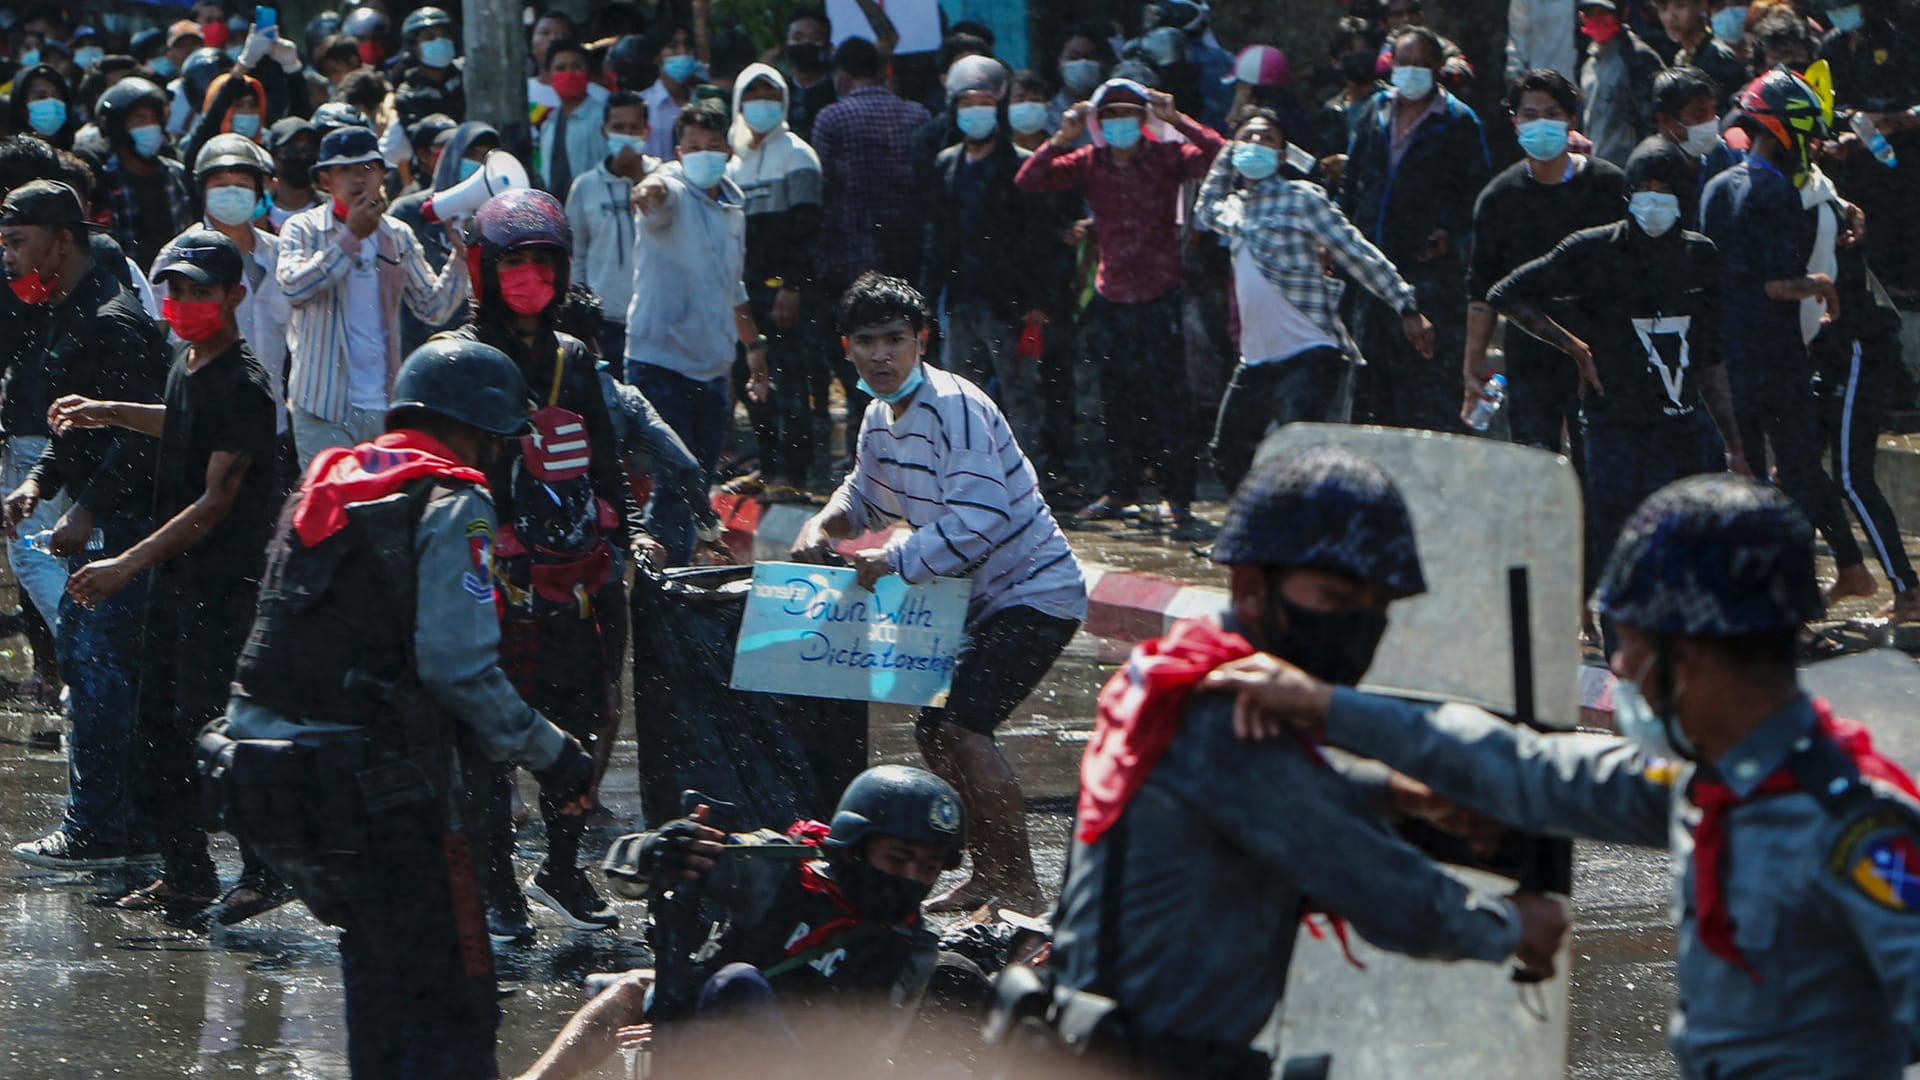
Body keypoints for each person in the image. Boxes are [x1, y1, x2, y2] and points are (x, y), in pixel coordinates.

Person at [1208, 472, 1920, 1080]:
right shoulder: (1712, 786)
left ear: (1693, 653)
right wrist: (1332, 708)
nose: (1618, 669)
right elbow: (1527, 768)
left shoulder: (1853, 829)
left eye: (1631, 644)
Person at [1043, 447, 1567, 1079]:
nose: (1359, 625)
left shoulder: (1177, 670)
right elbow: (1376, 884)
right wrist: (1512, 926)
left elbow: (1270, 798)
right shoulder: (1220, 714)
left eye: (1377, 606)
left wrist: (1400, 793)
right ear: (1250, 586)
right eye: (1336, 595)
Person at [222, 337, 597, 1078]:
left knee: (377, 974)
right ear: (482, 432)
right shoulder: (453, 499)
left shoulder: (326, 478)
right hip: (368, 785)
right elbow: (457, 670)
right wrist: (555, 754)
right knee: (454, 999)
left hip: (262, 773)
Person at [793, 273, 1085, 914]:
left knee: (964, 727)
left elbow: (985, 521)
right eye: (866, 341)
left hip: (1036, 590)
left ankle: (1019, 886)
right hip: (975, 599)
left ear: (922, 340)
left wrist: (893, 557)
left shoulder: (955, 405)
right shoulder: (877, 415)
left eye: (895, 339)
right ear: (847, 347)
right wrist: (820, 525)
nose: (881, 355)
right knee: (934, 731)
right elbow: (864, 499)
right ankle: (989, 873)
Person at [53, 226, 283, 918]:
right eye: (174, 289)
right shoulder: (188, 361)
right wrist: (106, 411)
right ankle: (186, 872)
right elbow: (182, 421)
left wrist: (125, 563)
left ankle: (265, 870)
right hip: (179, 581)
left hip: (227, 584)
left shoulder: (245, 384)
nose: (183, 301)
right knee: (158, 728)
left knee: (218, 731)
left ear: (235, 296)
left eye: (199, 291)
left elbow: (216, 503)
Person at [445, 188, 639, 938]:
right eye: (513, 263)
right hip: (487, 585)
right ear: (485, 270)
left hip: (577, 579)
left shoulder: (575, 358)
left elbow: (605, 459)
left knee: (582, 726)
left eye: (541, 264)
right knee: (490, 742)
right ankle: (494, 886)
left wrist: (622, 539)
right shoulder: (455, 361)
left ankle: (561, 865)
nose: (528, 277)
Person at [517, 765, 968, 1079]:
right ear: (854, 849)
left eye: (928, 868)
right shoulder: (777, 871)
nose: (912, 878)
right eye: (899, 858)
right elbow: (626, 873)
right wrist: (657, 848)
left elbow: (868, 1056)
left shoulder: (916, 950)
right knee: (667, 986)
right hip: (711, 1036)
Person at [1487, 138, 1745, 624]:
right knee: (1616, 541)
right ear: (1628, 195)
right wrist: (1573, 346)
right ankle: (1616, 645)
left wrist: (1735, 442)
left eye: (1664, 191)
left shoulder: (1700, 256)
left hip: (1681, 426)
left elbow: (1710, 359)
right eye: (1644, 190)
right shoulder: (1593, 249)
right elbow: (1508, 293)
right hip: (1614, 425)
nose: (1654, 201)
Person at [2, 180, 170, 871]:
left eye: (16, 242)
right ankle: (124, 823)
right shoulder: (66, 312)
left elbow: (142, 432)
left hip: (128, 531)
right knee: (90, 665)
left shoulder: (113, 318)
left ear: (60, 241)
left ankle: (102, 829)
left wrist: (86, 508)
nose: (7, 258)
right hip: (97, 524)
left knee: (102, 679)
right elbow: (72, 425)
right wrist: (38, 483)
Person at [1015, 79, 1225, 528]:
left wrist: (1176, 119)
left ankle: (1179, 497)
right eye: (1109, 116)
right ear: (1098, 123)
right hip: (1113, 295)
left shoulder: (1167, 157)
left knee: (1171, 399)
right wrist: (1062, 137)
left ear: (1143, 119)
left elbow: (1220, 156)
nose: (1119, 123)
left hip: (1161, 292)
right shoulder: (1090, 161)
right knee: (1118, 399)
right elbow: (1029, 178)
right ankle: (1120, 489)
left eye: (1129, 113)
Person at [1702, 69, 1877, 609]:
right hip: (1777, 360)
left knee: (1750, 478)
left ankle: (1761, 595)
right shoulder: (1774, 192)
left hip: (1728, 357)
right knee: (1799, 474)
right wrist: (1822, 286)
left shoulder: (1716, 185)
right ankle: (1798, 596)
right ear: (1789, 131)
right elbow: (1777, 285)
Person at [1198, 106, 1433, 492]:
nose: (1256, 144)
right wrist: (1228, 151)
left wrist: (1405, 303)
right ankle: (1257, 534)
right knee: (1228, 452)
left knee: (1299, 453)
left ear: (1281, 154)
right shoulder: (1233, 207)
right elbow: (1205, 206)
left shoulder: (1302, 198)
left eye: (1267, 139)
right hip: (1256, 359)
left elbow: (1356, 252)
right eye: (1248, 138)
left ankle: (1303, 542)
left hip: (1309, 349)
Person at [626, 100, 767, 566]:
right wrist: (647, 191)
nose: (703, 154)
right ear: (679, 150)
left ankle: (674, 573)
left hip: (712, 367)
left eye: (712, 147)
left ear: (727, 150)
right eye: (693, 147)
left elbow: (734, 285)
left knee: (698, 482)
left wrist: (754, 348)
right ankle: (662, 591)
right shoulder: (671, 189)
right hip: (659, 363)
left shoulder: (733, 204)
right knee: (675, 483)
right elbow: (656, 194)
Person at [277, 126, 470, 465]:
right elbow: (294, 288)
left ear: (383, 175)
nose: (359, 179)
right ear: (326, 182)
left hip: (384, 405)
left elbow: (432, 308)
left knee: (383, 509)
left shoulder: (397, 234)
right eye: (346, 170)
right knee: (332, 510)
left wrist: (460, 258)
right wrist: (351, 237)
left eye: (368, 168)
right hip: (323, 407)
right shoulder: (303, 228)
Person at [1339, 26, 1492, 432]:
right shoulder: (1375, 110)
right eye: (1404, 63)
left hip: (1429, 272)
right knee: (1369, 379)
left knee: (1428, 377)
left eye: (1422, 64)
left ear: (1438, 68)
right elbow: (1353, 181)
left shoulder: (1458, 121)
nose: (1411, 72)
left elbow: (1477, 195)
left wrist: (1452, 234)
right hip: (1372, 266)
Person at [1463, 70, 1628, 448]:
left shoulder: (1608, 186)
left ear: (1571, 120)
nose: (1541, 124)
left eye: (1552, 113)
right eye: (1530, 114)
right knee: (1535, 455)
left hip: (1602, 344)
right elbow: (1482, 291)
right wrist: (1471, 369)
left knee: (1599, 460)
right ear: (1515, 123)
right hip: (1532, 345)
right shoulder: (1498, 198)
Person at [921, 56, 1052, 472]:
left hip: (1008, 303)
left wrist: (1036, 298)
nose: (975, 112)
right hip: (961, 301)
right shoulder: (946, 164)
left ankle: (1026, 478)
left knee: (1020, 394)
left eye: (983, 103)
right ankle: (971, 475)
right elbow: (938, 236)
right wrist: (925, 300)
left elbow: (1034, 238)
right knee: (962, 394)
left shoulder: (1018, 165)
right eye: (967, 104)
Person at [727, 64, 823, 500]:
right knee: (751, 379)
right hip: (742, 294)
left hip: (784, 291)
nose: (760, 102)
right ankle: (765, 466)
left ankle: (794, 474)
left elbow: (809, 229)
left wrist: (793, 285)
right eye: (753, 93)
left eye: (770, 93)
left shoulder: (798, 155)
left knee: (790, 380)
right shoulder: (733, 161)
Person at [177, 134, 292, 447]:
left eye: (242, 182)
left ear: (258, 191)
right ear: (202, 190)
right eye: (220, 182)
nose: (232, 191)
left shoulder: (281, 253)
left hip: (275, 424)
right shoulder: (178, 255)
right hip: (209, 431)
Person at [565, 95, 654, 364]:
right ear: (604, 131)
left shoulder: (665, 180)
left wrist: (639, 178)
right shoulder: (585, 187)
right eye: (618, 128)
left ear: (646, 132)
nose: (626, 136)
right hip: (606, 321)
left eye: (634, 128)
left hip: (655, 317)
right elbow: (575, 254)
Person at [93, 76, 194, 271]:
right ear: (119, 127)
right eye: (140, 119)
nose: (150, 126)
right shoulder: (106, 180)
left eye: (154, 119)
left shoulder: (176, 174)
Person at [1576, 0, 1669, 165]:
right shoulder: (1590, 63)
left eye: (1604, 13)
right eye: (1592, 12)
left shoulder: (1637, 57)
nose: (1597, 19)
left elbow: (1656, 122)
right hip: (1599, 168)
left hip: (1630, 167)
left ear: (1623, 14)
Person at [1649, 66, 1743, 227]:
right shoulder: (1650, 170)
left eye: (1712, 112)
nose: (1710, 122)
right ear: (1664, 120)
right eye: (1699, 116)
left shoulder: (1728, 158)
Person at [536, 38, 608, 199]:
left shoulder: (603, 118)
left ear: (587, 73)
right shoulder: (549, 124)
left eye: (576, 67)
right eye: (561, 68)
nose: (569, 74)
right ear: (549, 76)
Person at [1650, 0, 1747, 111]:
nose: (1670, 17)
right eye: (1663, 9)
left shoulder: (1719, 58)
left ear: (1702, 5)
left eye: (1680, 6)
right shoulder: (1682, 57)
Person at [638, 24, 702, 160]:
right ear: (657, 56)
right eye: (673, 46)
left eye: (688, 46)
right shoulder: (643, 105)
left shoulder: (703, 102)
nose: (683, 52)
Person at [392, 6, 464, 128]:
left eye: (445, 35)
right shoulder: (409, 95)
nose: (440, 41)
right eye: (430, 37)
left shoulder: (466, 73)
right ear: (413, 47)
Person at [783, 7, 837, 142]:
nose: (805, 44)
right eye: (797, 38)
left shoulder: (838, 90)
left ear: (828, 46)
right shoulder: (778, 91)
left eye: (815, 38)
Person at [263, 116, 324, 232]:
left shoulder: (330, 209)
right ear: (273, 157)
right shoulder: (258, 211)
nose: (302, 157)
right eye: (292, 151)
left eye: (309, 150)